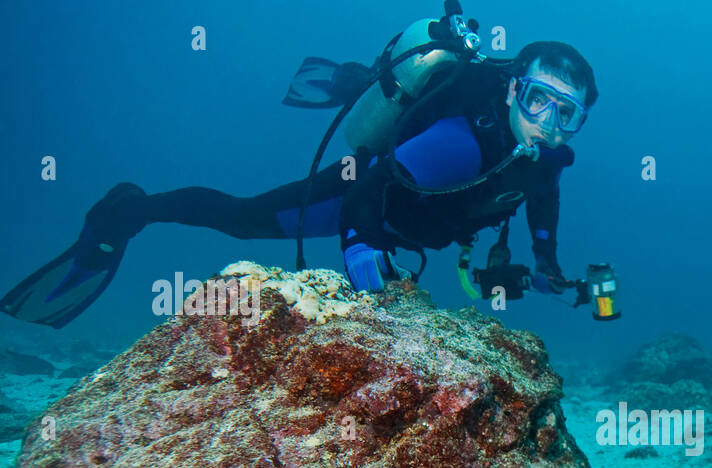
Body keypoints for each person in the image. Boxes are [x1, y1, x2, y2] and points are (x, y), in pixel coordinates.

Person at [0, 34, 597, 328]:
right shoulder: (463, 139)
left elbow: (541, 211)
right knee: (241, 219)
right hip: (353, 198)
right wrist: (360, 246)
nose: (548, 123)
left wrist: (548, 269)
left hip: (409, 226)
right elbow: (375, 183)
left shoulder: (543, 161)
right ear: (514, 88)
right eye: (540, 100)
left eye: (566, 113)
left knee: (245, 219)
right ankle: (127, 210)